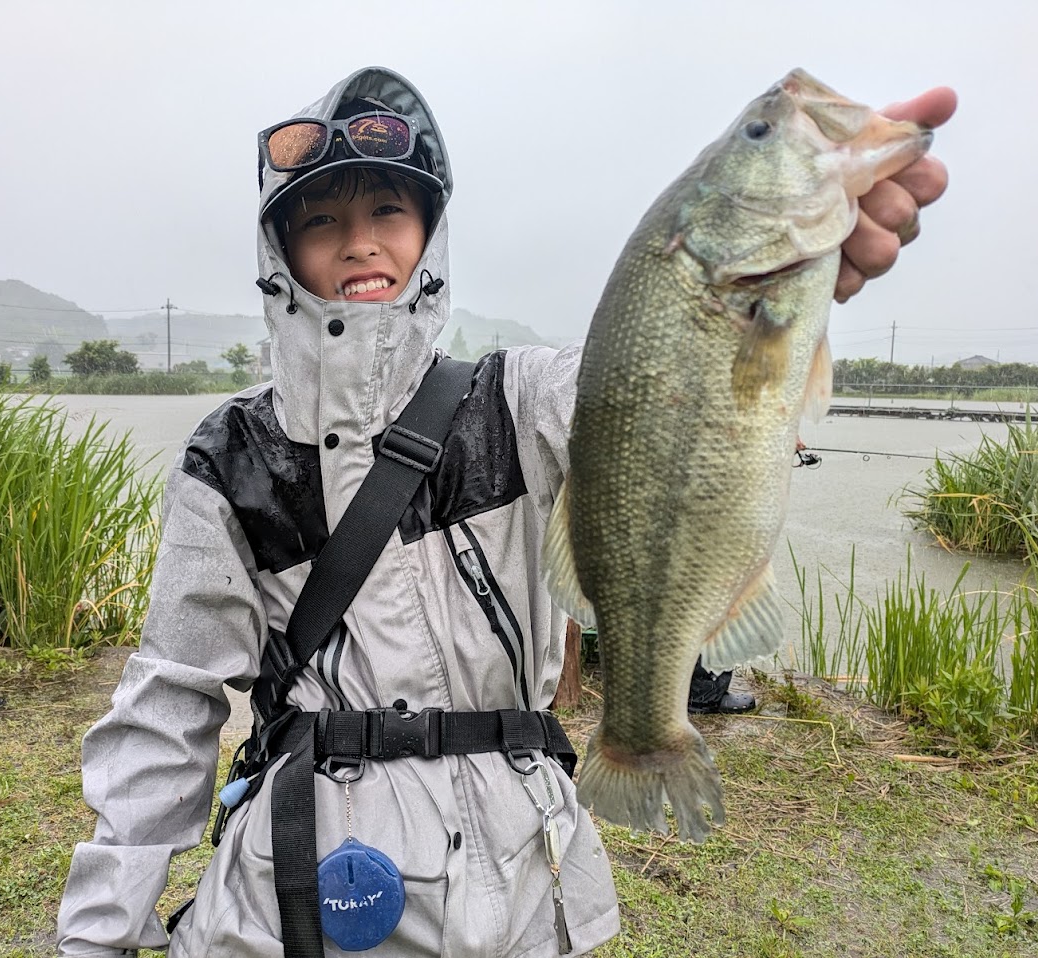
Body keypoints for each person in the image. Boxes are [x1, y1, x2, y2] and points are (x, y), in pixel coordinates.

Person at [56, 67, 955, 957]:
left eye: (388, 214)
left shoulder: (515, 397)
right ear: (279, 252)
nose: (359, 242)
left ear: (429, 235)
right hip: (296, 891)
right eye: (321, 220)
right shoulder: (231, 455)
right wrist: (102, 931)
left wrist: (786, 290)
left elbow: (635, 386)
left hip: (523, 882)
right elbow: (169, 698)